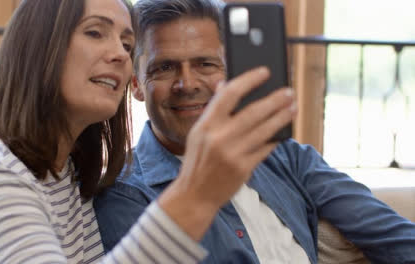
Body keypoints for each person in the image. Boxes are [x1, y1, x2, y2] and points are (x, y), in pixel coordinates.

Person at [0, 0, 295, 263]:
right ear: (38, 47)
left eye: (128, 44)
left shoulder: (64, 174)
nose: (119, 54)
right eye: (95, 32)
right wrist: (197, 193)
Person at [94, 0, 415, 263]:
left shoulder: (285, 156)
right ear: (136, 84)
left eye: (205, 64)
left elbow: (395, 237)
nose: (187, 84)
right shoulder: (124, 194)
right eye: (164, 68)